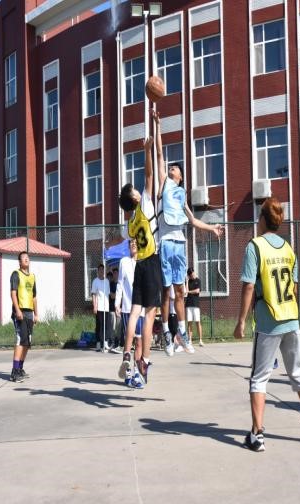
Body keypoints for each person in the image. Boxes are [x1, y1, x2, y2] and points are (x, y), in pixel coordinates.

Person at [234, 198, 300, 451]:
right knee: (298, 373)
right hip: (291, 318)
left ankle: (257, 434)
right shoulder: (288, 248)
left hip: (269, 321)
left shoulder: (255, 246)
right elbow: (293, 287)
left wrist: (241, 321)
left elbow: (249, 286)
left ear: (263, 219)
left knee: (259, 378)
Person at [153, 110, 223, 357]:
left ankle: (181, 334)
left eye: (175, 167)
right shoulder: (164, 183)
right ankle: (166, 333)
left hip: (179, 244)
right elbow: (159, 154)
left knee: (180, 292)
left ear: (180, 176)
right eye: (170, 167)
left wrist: (212, 227)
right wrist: (157, 125)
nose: (171, 167)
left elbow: (192, 221)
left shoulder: (181, 195)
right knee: (166, 292)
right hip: (165, 242)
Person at [117, 136, 162, 386]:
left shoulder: (130, 224)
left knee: (135, 312)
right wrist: (147, 150)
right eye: (134, 190)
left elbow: (128, 239)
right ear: (135, 198)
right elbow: (149, 175)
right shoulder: (144, 203)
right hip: (152, 262)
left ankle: (126, 353)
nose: (138, 189)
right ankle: (144, 359)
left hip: (139, 267)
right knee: (150, 313)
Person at [115, 239, 144, 388]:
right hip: (127, 309)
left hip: (142, 309)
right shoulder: (124, 262)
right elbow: (120, 283)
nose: (133, 244)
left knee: (139, 342)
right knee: (129, 341)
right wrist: (117, 303)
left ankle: (137, 375)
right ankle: (127, 373)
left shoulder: (144, 261)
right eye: (130, 242)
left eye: (135, 242)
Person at [9, 252, 38, 382]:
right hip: (20, 312)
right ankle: (14, 372)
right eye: (23, 258)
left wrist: (36, 313)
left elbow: (34, 297)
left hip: (30, 313)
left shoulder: (32, 276)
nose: (26, 259)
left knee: (27, 343)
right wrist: (17, 310)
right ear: (20, 262)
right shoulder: (16, 274)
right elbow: (13, 294)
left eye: (28, 258)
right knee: (20, 340)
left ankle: (20, 368)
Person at [91, 263, 110, 353]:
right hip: (99, 307)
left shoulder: (107, 281)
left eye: (103, 270)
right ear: (98, 271)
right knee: (99, 325)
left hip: (106, 307)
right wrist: (95, 306)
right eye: (100, 270)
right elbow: (94, 294)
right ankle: (98, 343)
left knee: (106, 325)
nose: (102, 271)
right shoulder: (95, 281)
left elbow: (108, 294)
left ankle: (105, 342)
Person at [185, 267, 203, 347]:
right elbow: (186, 292)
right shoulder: (188, 281)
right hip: (188, 304)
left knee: (197, 322)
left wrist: (189, 292)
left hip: (196, 305)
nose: (192, 276)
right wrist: (187, 281)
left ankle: (200, 340)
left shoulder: (198, 280)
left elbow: (197, 291)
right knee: (189, 322)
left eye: (193, 274)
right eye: (191, 275)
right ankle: (189, 340)